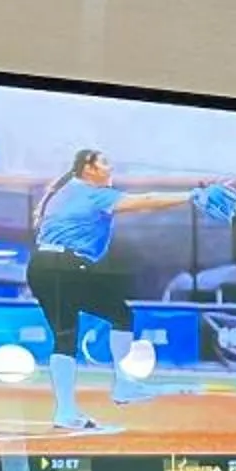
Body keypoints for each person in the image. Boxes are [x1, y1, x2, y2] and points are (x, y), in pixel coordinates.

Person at [25, 149, 209, 434]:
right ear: (88, 168)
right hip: (67, 265)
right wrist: (191, 196)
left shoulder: (61, 192)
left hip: (40, 266)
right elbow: (147, 201)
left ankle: (66, 411)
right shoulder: (93, 194)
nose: (111, 167)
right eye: (104, 162)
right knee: (120, 314)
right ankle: (124, 385)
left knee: (65, 336)